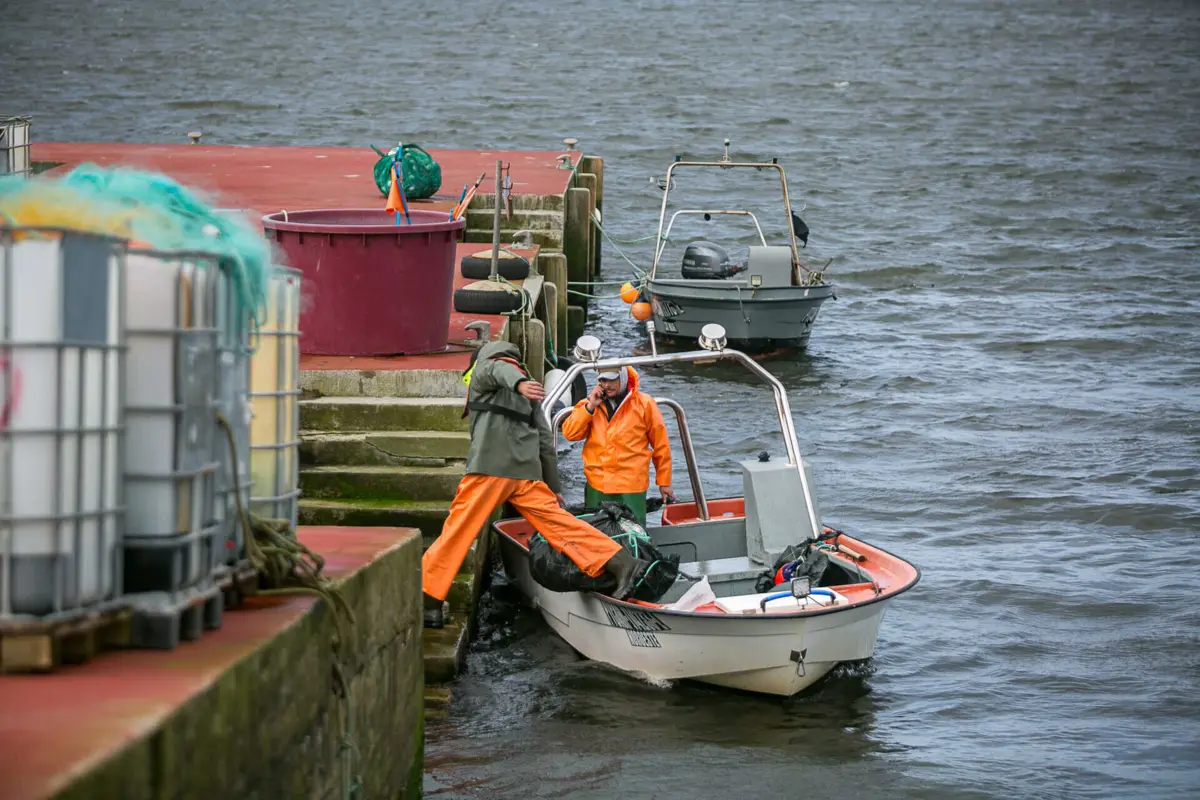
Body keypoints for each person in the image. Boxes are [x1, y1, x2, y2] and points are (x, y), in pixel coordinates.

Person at [421, 342, 644, 628]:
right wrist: (553, 486)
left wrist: (519, 383)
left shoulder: (489, 368)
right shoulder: (531, 389)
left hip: (491, 470)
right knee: (560, 525)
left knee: (459, 530)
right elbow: (544, 441)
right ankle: (621, 562)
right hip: (526, 475)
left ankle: (430, 600)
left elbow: (496, 370)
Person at [560, 365, 674, 525]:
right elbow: (570, 433)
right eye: (603, 380)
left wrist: (664, 482)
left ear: (624, 378)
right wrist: (589, 407)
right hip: (597, 484)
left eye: (612, 380)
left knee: (634, 533)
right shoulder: (589, 404)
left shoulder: (645, 404)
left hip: (631, 485)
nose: (608, 385)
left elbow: (661, 445)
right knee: (597, 536)